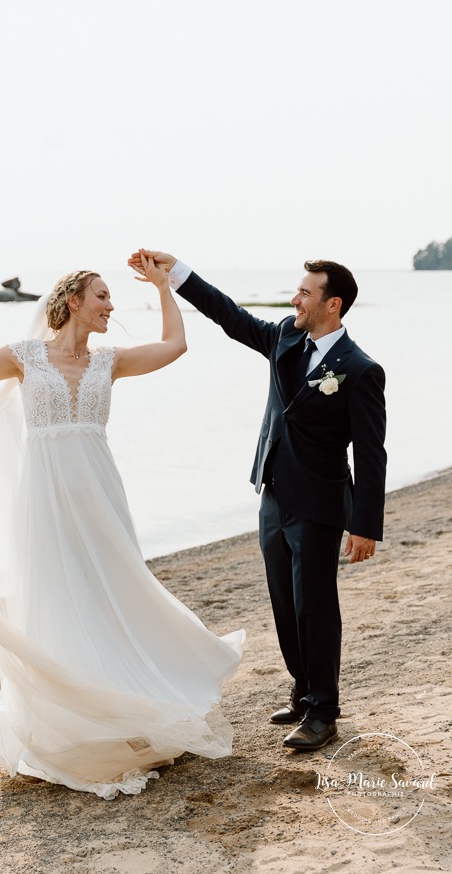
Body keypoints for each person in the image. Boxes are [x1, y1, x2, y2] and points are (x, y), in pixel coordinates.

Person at [0, 256, 244, 799]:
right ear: (73, 302)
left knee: (115, 594)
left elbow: (175, 345)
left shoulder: (111, 362)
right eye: (102, 296)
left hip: (101, 495)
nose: (111, 306)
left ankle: (132, 711)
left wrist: (163, 287)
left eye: (112, 297)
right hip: (45, 498)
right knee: (59, 598)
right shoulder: (24, 358)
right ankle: (73, 726)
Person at [128, 250, 386, 752]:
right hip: (272, 496)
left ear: (332, 305)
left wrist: (365, 524)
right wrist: (178, 272)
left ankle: (324, 710)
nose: (296, 298)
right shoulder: (284, 338)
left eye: (306, 292)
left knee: (315, 605)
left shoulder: (359, 369)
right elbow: (228, 314)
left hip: (319, 504)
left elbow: (371, 452)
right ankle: (301, 689)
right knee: (285, 604)